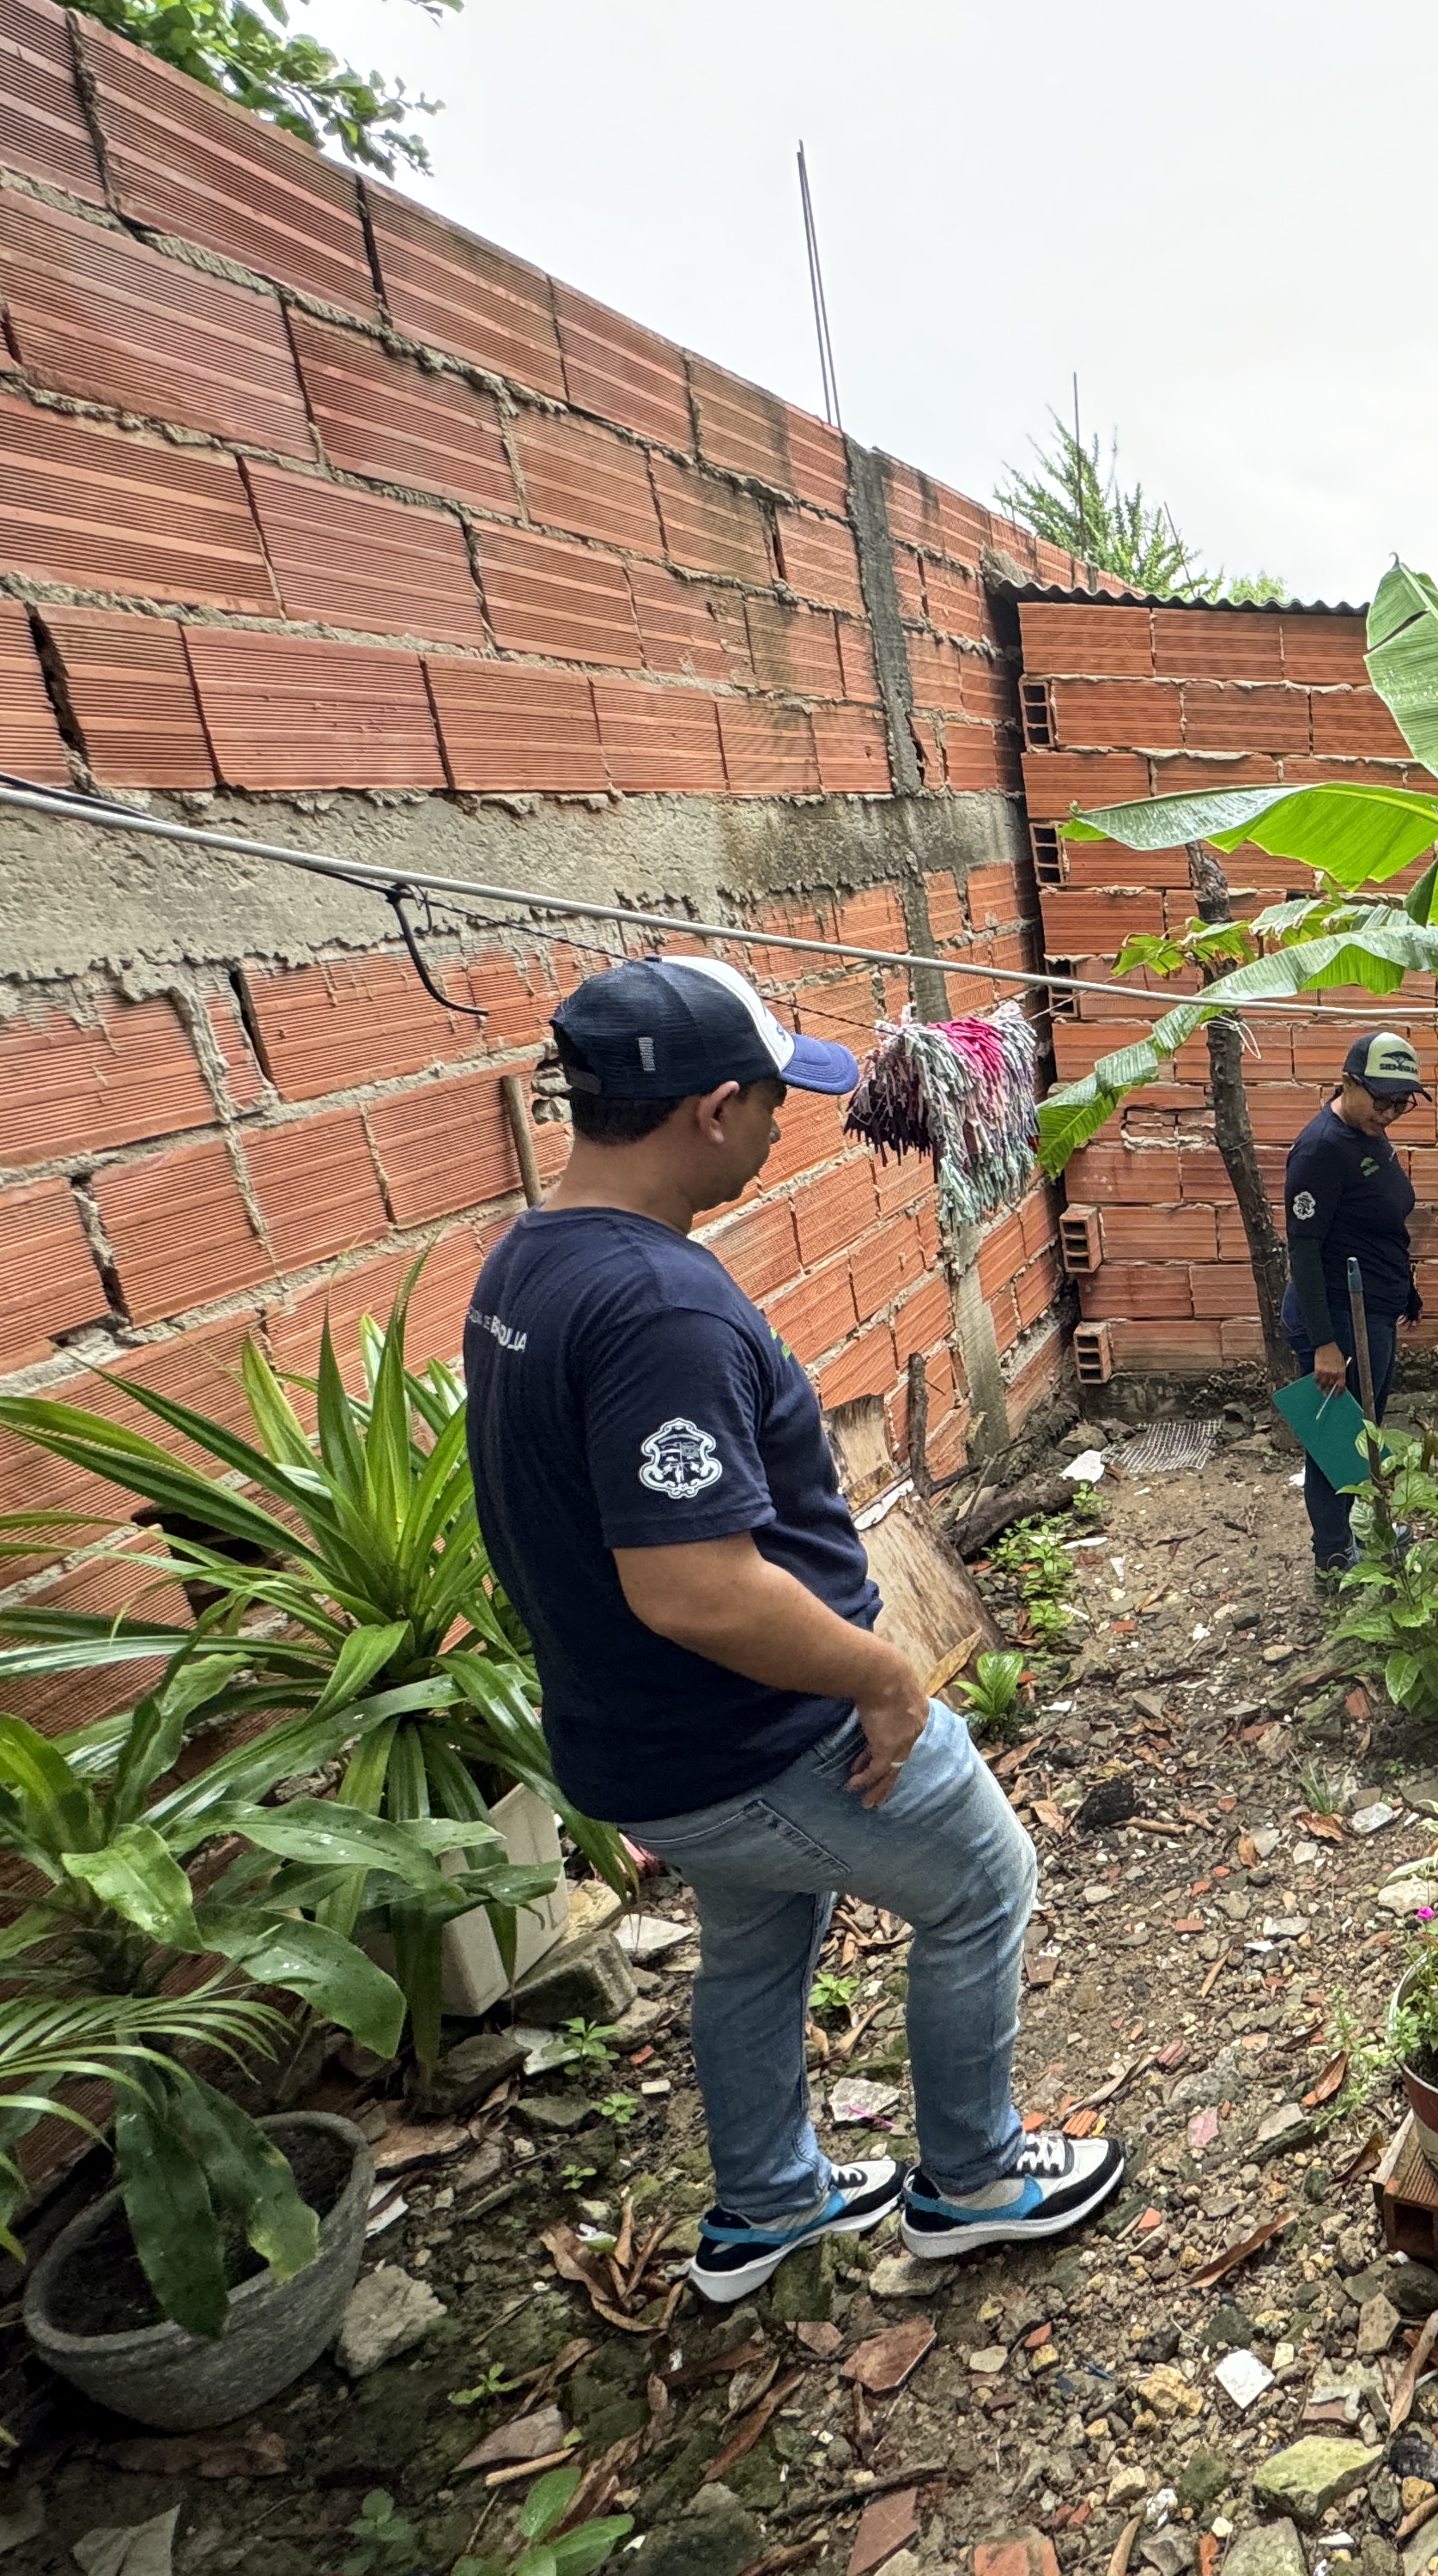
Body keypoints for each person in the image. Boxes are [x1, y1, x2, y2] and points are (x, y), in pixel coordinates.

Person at [461, 953, 1119, 2305]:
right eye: (770, 1101)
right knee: (983, 1886)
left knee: (761, 1936)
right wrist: (883, 1676)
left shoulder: (526, 1263)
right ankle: (973, 2183)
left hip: (646, 1742)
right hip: (765, 1737)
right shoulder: (658, 1305)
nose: (780, 1127)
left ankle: (766, 2204)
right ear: (711, 1110)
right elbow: (692, 1585)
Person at [1279, 1028, 1426, 1589]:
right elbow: (1306, 1249)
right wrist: (1323, 1343)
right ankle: (1334, 1558)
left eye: (1401, 1102)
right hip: (1338, 1315)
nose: (1389, 1112)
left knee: (1362, 1435)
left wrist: (1404, 1289)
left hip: (1375, 1305)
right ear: (1348, 1082)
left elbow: (1378, 1217)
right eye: (1381, 1099)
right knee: (1333, 1443)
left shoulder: (1367, 1134)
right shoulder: (1321, 1148)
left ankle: (1365, 1535)